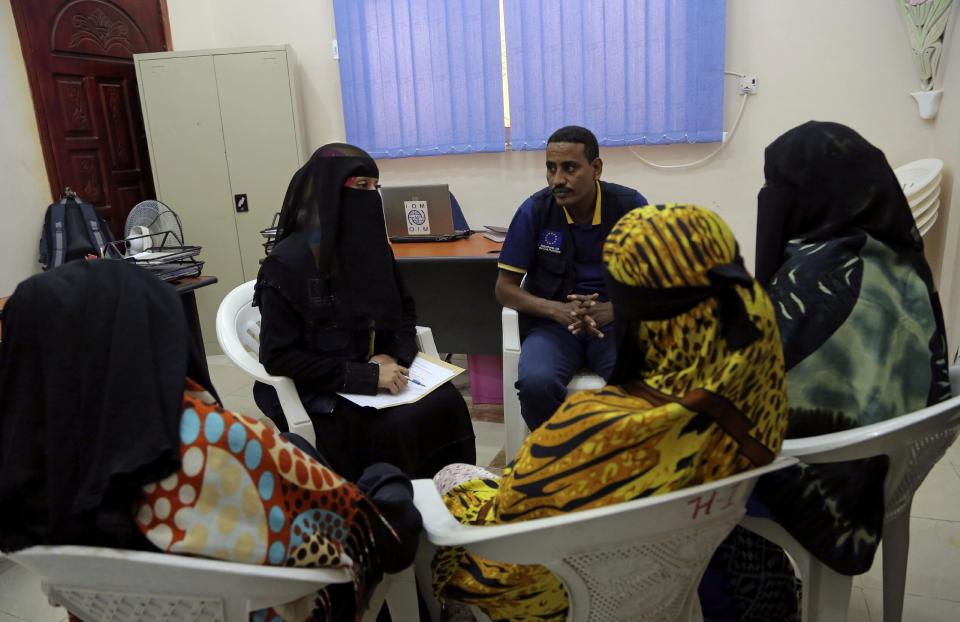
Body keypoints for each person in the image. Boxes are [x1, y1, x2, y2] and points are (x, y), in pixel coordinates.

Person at [0, 259, 422, 622]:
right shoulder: (215, 445)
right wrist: (387, 485)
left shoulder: (25, 464)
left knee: (295, 443)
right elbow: (373, 536)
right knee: (382, 480)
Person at [432, 204, 789, 622]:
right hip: (698, 579)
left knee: (453, 476)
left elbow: (509, 533)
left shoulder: (587, 427)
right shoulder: (758, 387)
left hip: (574, 598)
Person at [701, 121, 952, 620]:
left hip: (826, 477)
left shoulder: (821, 270)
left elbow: (752, 386)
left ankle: (752, 600)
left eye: (779, 186)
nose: (771, 199)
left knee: (674, 473)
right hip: (884, 460)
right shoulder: (899, 258)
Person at [253, 143, 476, 482]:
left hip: (377, 373)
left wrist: (389, 356)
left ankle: (449, 497)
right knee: (397, 426)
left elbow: (404, 316)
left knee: (447, 403)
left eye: (375, 187)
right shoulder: (288, 264)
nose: (371, 197)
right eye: (361, 187)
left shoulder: (372, 251)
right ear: (329, 192)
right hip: (321, 388)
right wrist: (365, 377)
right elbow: (279, 356)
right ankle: (393, 510)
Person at [496, 125, 648, 431]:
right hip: (553, 327)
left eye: (569, 168)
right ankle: (558, 461)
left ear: (596, 169)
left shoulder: (630, 207)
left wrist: (613, 310)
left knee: (644, 382)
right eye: (551, 169)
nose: (557, 180)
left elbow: (662, 284)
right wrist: (556, 310)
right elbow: (505, 289)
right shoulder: (535, 211)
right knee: (535, 383)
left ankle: (625, 462)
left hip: (615, 324)